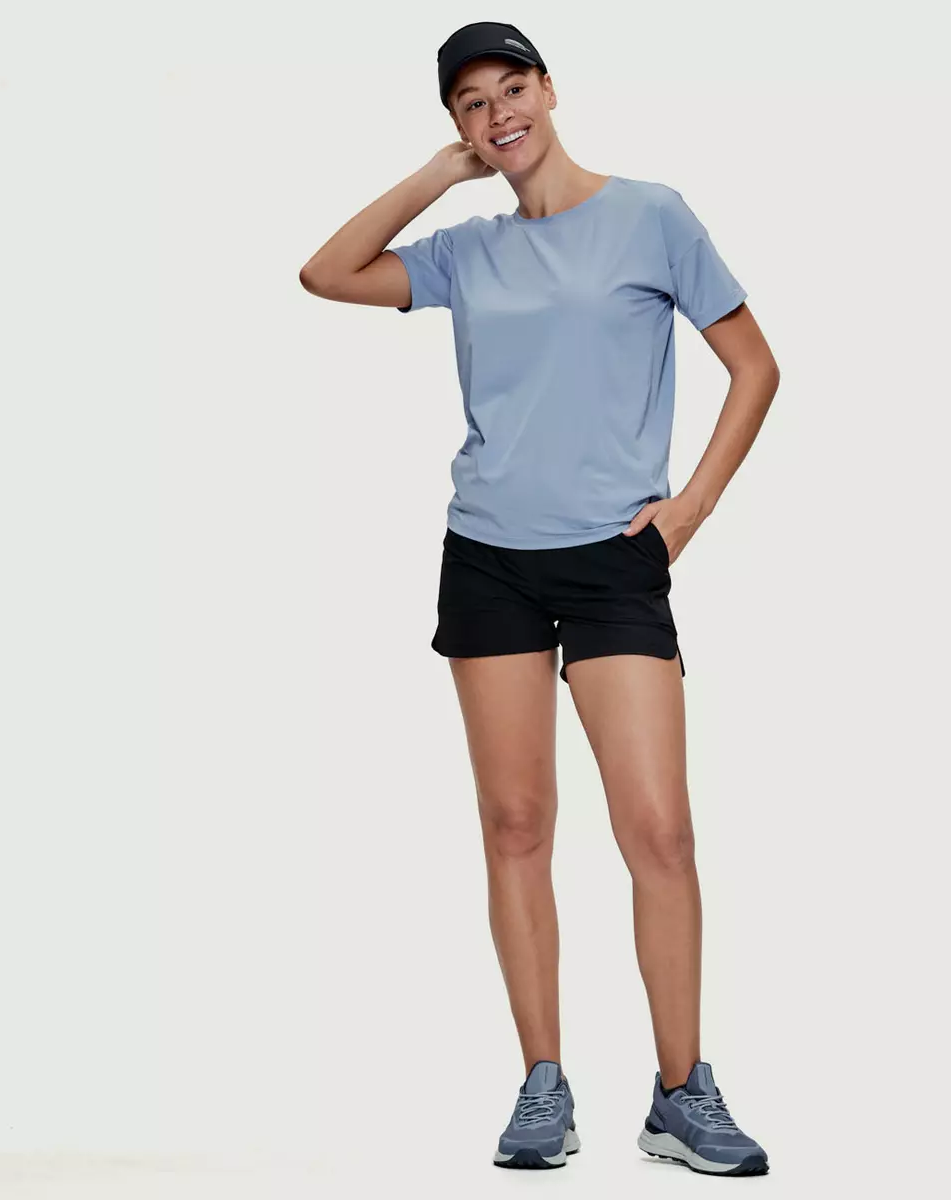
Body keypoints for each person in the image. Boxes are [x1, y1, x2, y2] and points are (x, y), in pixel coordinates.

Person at [299, 21, 779, 1176]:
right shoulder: (465, 253)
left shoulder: (652, 216)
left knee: (659, 831)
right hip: (491, 559)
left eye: (511, 88)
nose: (498, 112)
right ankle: (542, 1085)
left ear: (550, 89)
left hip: (616, 559)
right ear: (459, 125)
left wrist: (690, 509)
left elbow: (756, 366)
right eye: (472, 103)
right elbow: (327, 272)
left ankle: (681, 1090)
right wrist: (437, 174)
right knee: (515, 826)